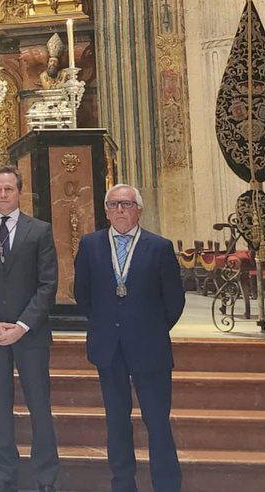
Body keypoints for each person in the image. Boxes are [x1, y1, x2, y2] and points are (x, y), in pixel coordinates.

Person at [75, 184, 185, 492]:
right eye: (113, 205)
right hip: (108, 347)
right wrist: (109, 325)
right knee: (117, 422)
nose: (120, 210)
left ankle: (166, 484)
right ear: (106, 210)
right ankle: (122, 484)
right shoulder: (90, 244)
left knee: (157, 422)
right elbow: (82, 294)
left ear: (139, 209)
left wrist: (149, 329)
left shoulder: (159, 246)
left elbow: (174, 300)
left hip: (150, 349)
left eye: (126, 204)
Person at [0, 167, 59, 492]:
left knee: (39, 406)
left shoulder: (40, 231)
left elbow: (48, 285)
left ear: (20, 192)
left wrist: (21, 326)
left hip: (30, 335)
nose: (3, 195)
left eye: (9, 189)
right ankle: (6, 476)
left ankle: (46, 478)